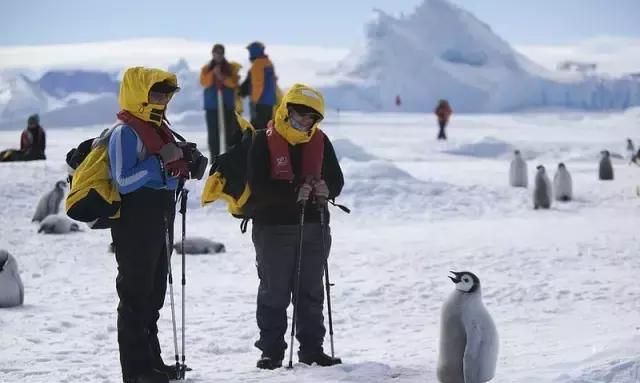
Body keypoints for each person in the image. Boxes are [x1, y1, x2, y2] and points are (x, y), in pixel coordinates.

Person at [247, 83, 344, 369]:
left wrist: (329, 188)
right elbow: (258, 186)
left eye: (311, 118)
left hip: (314, 224)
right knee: (274, 291)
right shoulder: (261, 140)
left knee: (311, 291)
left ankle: (312, 349)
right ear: (287, 110)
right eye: (301, 115)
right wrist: (292, 193)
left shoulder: (321, 141)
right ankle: (271, 351)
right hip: (273, 228)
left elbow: (336, 180)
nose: (306, 122)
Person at [109, 67, 189, 383]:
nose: (163, 99)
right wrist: (160, 162)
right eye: (157, 93)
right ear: (140, 94)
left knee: (154, 293)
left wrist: (184, 165)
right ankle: (136, 370)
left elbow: (168, 176)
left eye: (168, 93)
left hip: (160, 213)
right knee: (134, 295)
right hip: (134, 218)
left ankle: (152, 363)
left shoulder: (161, 130)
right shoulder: (125, 133)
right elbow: (124, 180)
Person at [200, 43, 240, 159]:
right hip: (212, 105)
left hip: (227, 104)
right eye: (216, 53)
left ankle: (230, 157)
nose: (219, 55)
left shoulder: (231, 68)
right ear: (213, 54)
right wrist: (213, 73)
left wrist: (222, 77)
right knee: (213, 133)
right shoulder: (206, 69)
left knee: (229, 133)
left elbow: (234, 83)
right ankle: (214, 158)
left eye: (221, 53)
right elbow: (204, 82)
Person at [239, 41, 276, 130]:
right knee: (267, 129)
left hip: (260, 103)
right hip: (269, 102)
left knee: (258, 130)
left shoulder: (258, 64)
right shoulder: (268, 62)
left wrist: (254, 100)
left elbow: (258, 84)